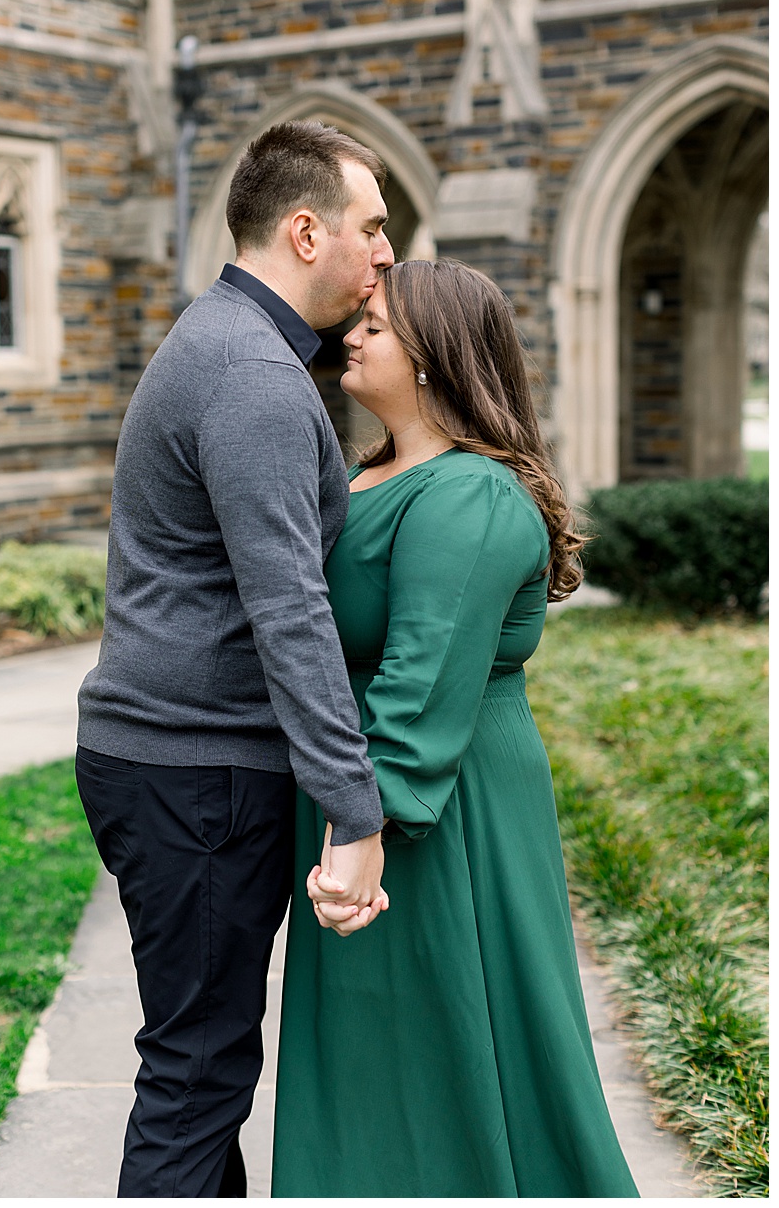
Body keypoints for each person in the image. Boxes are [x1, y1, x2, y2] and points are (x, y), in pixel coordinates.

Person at [74, 120, 394, 1197]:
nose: (385, 252)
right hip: (196, 775)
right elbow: (289, 608)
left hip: (176, 767)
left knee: (203, 1069)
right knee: (197, 1076)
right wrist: (355, 809)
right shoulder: (253, 372)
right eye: (371, 227)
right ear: (306, 232)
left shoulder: (227, 341)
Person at [272, 260, 639, 1196]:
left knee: (455, 1036)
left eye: (376, 327)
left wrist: (366, 825)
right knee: (380, 1048)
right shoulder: (373, 474)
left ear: (435, 355)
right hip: (364, 794)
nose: (350, 335)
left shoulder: (469, 493)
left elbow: (425, 676)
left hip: (440, 802)